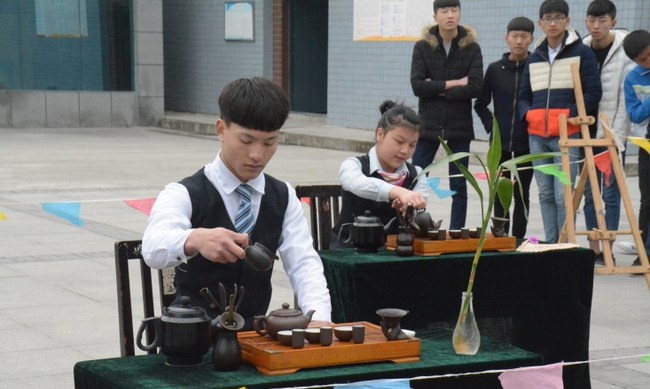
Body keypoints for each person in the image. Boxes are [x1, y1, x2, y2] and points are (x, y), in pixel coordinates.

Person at [142, 77, 332, 329]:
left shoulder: (283, 196)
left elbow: (304, 263)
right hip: (193, 344)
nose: (257, 155)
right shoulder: (183, 193)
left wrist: (318, 316)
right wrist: (194, 239)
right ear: (221, 129)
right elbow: (152, 248)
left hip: (257, 339)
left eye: (270, 142)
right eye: (246, 140)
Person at [518, 0, 602, 243]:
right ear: (540, 23)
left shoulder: (582, 53)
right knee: (544, 193)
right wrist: (528, 114)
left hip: (567, 135)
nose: (552, 23)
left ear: (568, 20)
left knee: (562, 193)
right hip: (537, 136)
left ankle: (565, 242)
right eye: (547, 18)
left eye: (558, 17)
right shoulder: (535, 56)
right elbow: (524, 95)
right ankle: (551, 241)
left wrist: (568, 114)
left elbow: (593, 93)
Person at [410, 0, 483, 230]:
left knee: (459, 184)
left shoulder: (471, 47)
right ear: (435, 16)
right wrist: (454, 84)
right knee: (415, 179)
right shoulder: (423, 46)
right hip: (428, 124)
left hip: (459, 125)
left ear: (460, 13)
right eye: (444, 11)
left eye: (454, 10)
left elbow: (475, 87)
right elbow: (417, 86)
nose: (450, 15)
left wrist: (439, 90)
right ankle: (413, 227)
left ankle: (456, 231)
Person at [332, 101, 429, 246]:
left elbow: (419, 204)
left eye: (412, 145)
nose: (405, 151)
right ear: (380, 134)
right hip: (349, 250)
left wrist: (410, 208)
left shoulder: (417, 174)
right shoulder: (353, 165)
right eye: (399, 141)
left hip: (395, 252)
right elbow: (358, 184)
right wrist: (399, 192)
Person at [581, 0, 635, 264]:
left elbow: (626, 99)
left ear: (612, 21)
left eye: (602, 20)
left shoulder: (625, 51)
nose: (596, 26)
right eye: (592, 20)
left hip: (612, 135)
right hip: (584, 132)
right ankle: (593, 247)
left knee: (611, 193)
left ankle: (609, 245)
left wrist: (617, 136)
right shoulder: (582, 48)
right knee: (590, 192)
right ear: (585, 22)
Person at [474, 16, 535, 239]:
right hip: (499, 148)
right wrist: (492, 128)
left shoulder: (535, 67)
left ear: (531, 39)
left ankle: (518, 240)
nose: (519, 41)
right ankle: (500, 238)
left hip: (527, 145)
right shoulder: (494, 69)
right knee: (500, 194)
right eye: (515, 36)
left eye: (524, 36)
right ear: (506, 38)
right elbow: (480, 104)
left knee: (522, 194)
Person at [623, 29, 650, 268]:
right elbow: (635, 115)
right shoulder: (633, 78)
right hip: (647, 146)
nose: (648, 62)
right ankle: (644, 252)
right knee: (647, 200)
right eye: (642, 60)